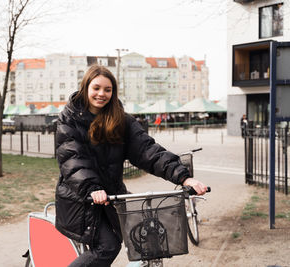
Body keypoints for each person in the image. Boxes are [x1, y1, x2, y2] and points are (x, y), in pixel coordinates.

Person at [55, 65, 208, 267]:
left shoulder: (121, 120)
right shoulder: (69, 119)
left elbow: (148, 151)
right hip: (80, 199)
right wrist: (92, 189)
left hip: (111, 196)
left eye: (108, 90)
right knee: (108, 246)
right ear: (86, 88)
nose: (102, 94)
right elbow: (72, 160)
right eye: (96, 88)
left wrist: (183, 177)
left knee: (146, 236)